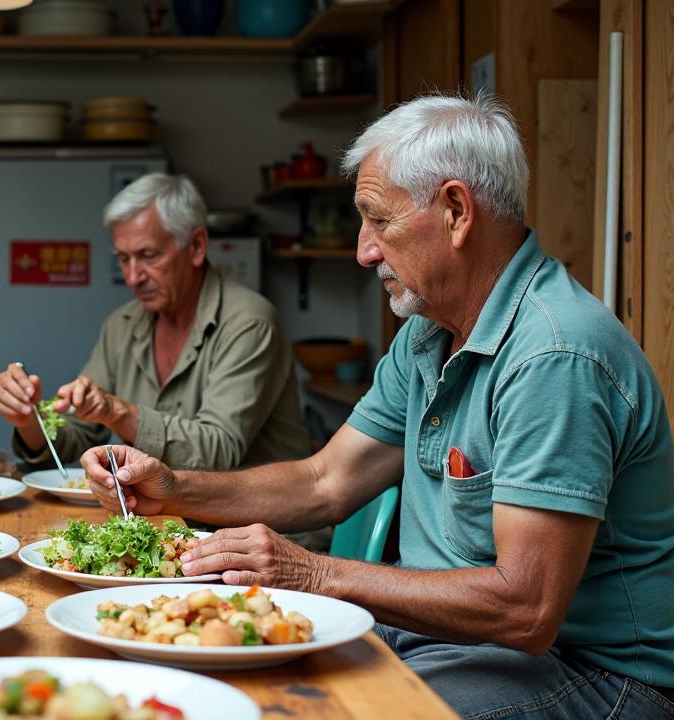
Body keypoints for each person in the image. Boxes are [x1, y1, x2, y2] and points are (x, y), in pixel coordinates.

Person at [82, 93, 674, 719]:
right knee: (216, 671)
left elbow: (524, 609)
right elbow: (325, 480)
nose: (364, 250)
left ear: (455, 211)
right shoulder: (428, 332)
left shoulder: (554, 354)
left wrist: (313, 574)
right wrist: (173, 488)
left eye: (377, 220)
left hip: (592, 673)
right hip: (448, 639)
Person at [0, 174, 320, 544]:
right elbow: (78, 440)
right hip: (165, 529)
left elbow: (218, 451)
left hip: (256, 539)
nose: (133, 276)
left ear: (196, 246)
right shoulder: (122, 325)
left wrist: (117, 411)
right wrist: (29, 420)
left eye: (148, 256)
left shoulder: (249, 321)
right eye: (124, 259)